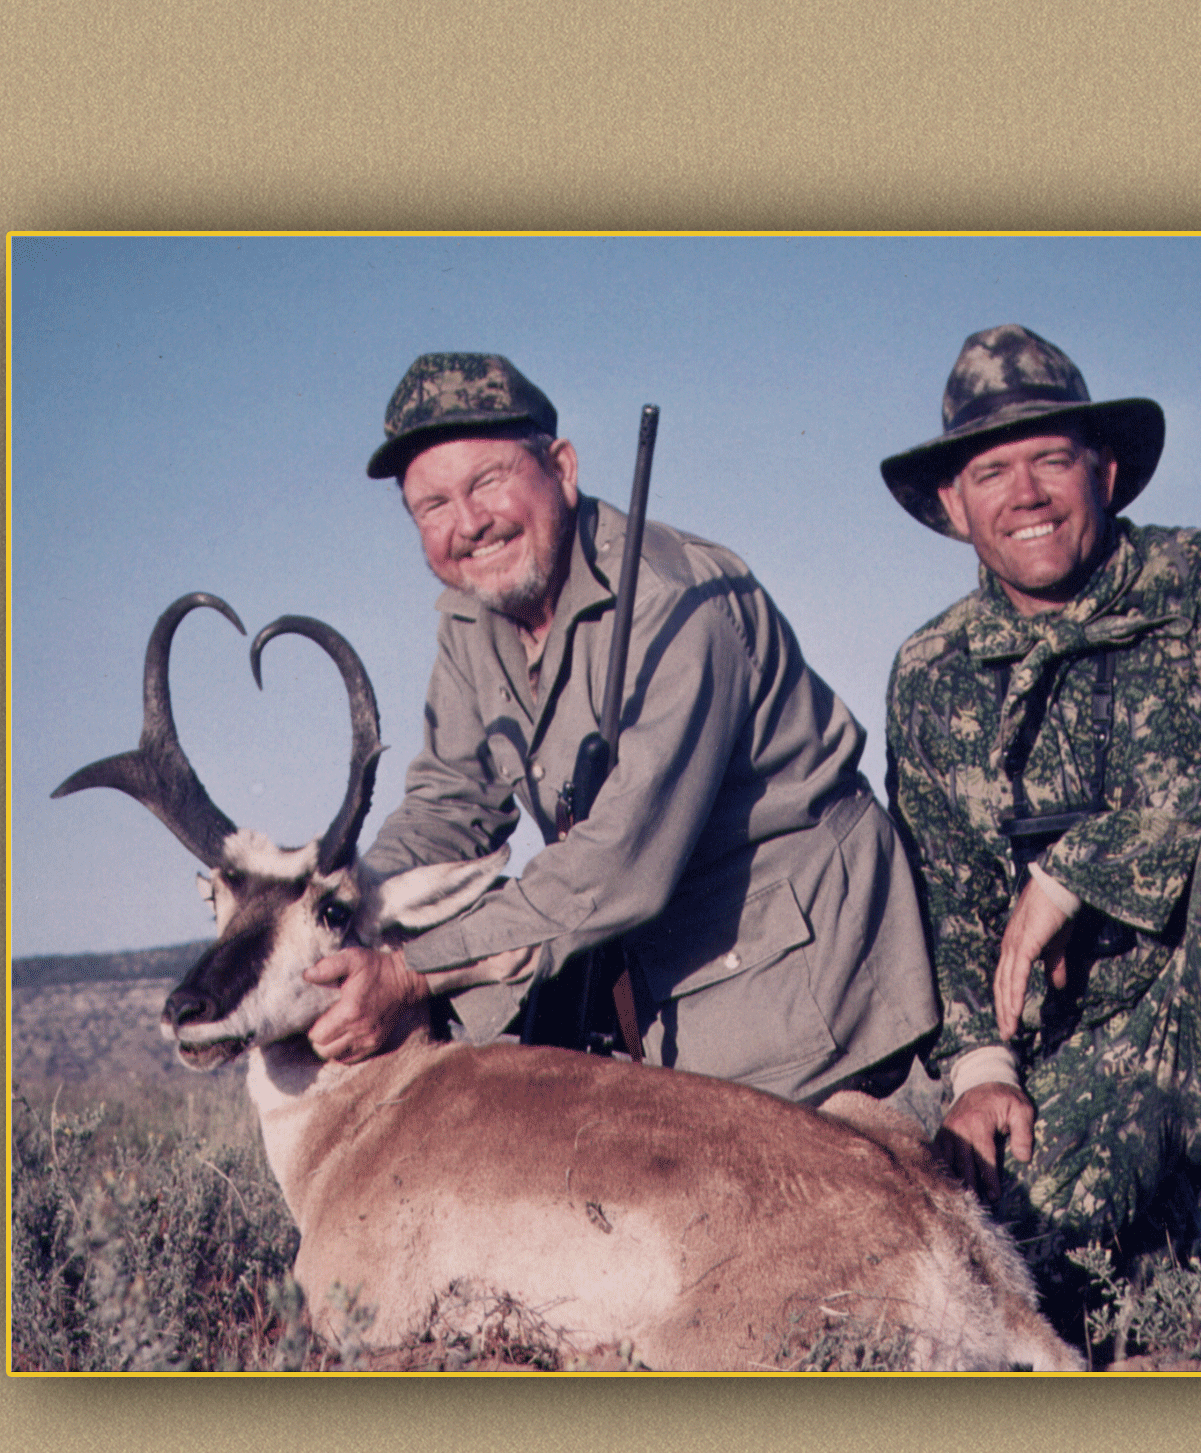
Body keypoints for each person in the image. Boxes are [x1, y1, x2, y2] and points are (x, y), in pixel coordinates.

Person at [880, 325, 1201, 1330]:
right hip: (1092, 1039)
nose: (1024, 492)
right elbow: (950, 897)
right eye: (991, 469)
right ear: (953, 505)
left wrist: (1075, 871)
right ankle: (1189, 1207)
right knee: (1019, 1264)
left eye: (1050, 459)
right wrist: (983, 1067)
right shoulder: (930, 670)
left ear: (1105, 470)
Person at [304, 350, 938, 1105]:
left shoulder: (677, 603)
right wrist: (333, 906)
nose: (468, 524)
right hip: (649, 969)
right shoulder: (475, 614)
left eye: (487, 482)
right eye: (432, 506)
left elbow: (617, 864)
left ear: (562, 469)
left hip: (806, 995)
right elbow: (448, 804)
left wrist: (412, 972)